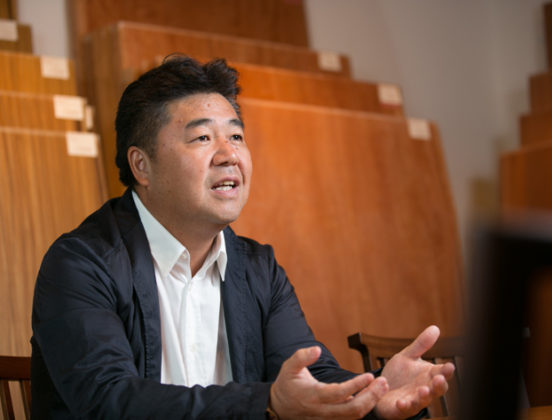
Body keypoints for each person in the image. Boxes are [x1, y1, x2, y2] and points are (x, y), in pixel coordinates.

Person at [31, 55, 454, 419]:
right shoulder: (81, 263)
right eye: (202, 137)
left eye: (236, 136)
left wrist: (377, 392)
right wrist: (265, 403)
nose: (229, 154)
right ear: (142, 166)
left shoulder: (257, 268)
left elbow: (309, 379)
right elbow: (109, 401)